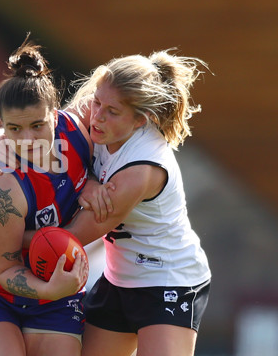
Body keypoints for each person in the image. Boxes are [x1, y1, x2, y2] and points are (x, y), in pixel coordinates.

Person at [0, 39, 94, 356]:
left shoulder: (80, 135)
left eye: (38, 125)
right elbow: (7, 269)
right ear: (2, 127)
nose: (28, 139)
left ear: (55, 115)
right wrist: (49, 289)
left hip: (53, 279)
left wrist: (91, 183)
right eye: (14, 129)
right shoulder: (2, 185)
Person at [65, 49, 212, 356]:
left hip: (169, 281)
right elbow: (35, 137)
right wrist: (88, 183)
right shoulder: (95, 117)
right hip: (119, 279)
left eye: (112, 111)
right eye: (96, 102)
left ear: (140, 120)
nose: (97, 116)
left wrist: (5, 246)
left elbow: (74, 237)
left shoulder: (141, 169)